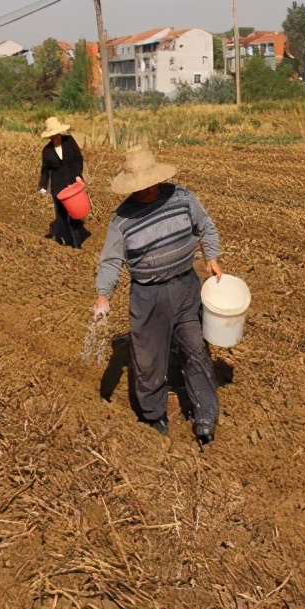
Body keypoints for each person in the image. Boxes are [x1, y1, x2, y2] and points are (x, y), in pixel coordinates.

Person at [93, 145, 223, 446]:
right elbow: (112, 260)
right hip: (147, 297)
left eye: (149, 184)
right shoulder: (122, 219)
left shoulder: (183, 198)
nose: (145, 191)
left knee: (195, 351)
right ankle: (154, 416)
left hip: (186, 287)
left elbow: (206, 227)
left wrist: (213, 255)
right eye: (138, 187)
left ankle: (205, 417)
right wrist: (104, 294)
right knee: (148, 361)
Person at [38, 116, 88, 249]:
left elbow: (78, 158)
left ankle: (77, 243)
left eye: (56, 135)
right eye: (52, 136)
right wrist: (43, 186)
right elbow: (45, 169)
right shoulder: (47, 151)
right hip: (57, 185)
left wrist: (78, 175)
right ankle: (62, 242)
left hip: (72, 181)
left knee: (73, 213)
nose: (55, 138)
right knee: (61, 214)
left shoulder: (69, 142)